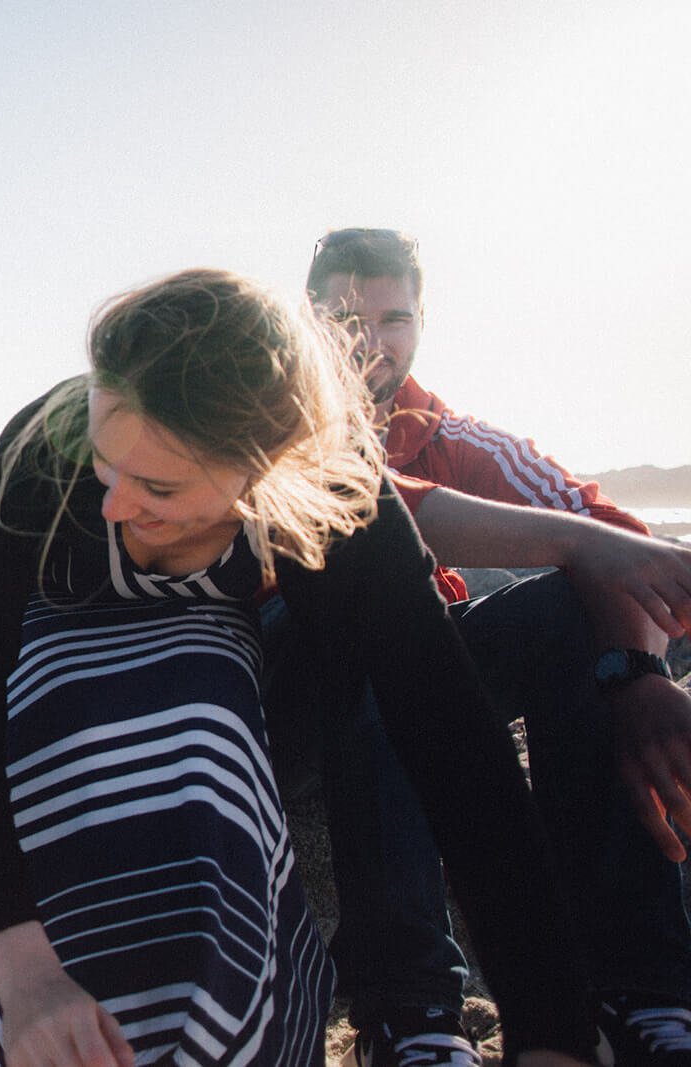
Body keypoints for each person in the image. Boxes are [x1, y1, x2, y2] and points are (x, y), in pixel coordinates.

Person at [0, 268, 600, 1066]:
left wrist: (551, 1033)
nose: (111, 505)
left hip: (214, 664)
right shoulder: (45, 446)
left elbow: (452, 738)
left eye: (157, 486)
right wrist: (25, 969)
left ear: (265, 471)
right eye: (106, 463)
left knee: (207, 742)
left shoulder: (332, 484)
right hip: (52, 653)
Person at [261, 227, 691, 1066]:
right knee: (378, 601)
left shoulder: (450, 435)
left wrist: (634, 671)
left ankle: (639, 991)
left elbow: (624, 546)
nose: (369, 340)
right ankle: (409, 1010)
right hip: (285, 692)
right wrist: (576, 546)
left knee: (573, 606)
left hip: (419, 696)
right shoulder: (264, 419)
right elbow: (365, 505)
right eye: (344, 317)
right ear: (304, 320)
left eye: (394, 318)